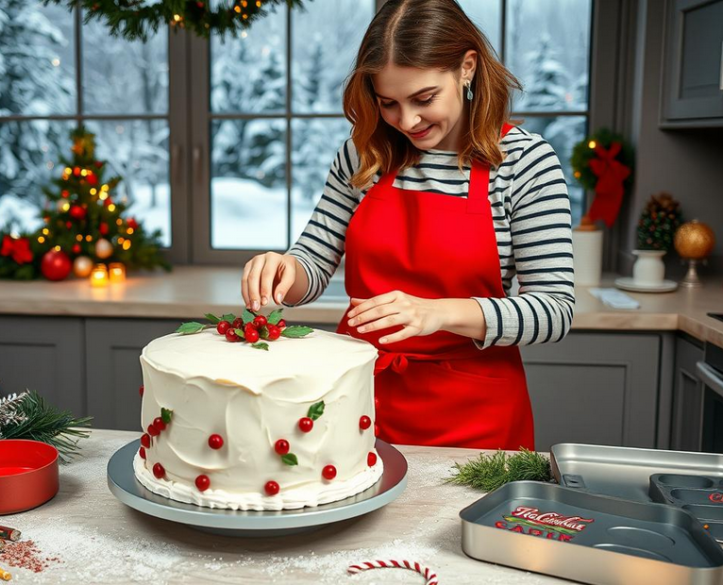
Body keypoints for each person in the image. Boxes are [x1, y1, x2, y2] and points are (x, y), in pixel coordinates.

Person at [240, 0, 575, 450]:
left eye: (424, 99)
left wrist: (437, 312)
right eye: (389, 104)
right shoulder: (365, 154)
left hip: (476, 417)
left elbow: (553, 310)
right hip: (357, 402)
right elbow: (313, 265)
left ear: (467, 68)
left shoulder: (523, 163)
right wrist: (283, 271)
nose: (408, 121)